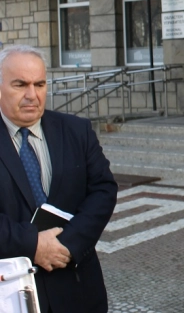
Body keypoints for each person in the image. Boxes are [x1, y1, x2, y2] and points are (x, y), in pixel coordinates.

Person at [0, 45, 118, 313]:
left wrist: (68, 245)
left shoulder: (77, 130)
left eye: (40, 84)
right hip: (10, 291)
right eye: (20, 85)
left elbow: (103, 191)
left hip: (76, 286)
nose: (32, 95)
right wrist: (34, 245)